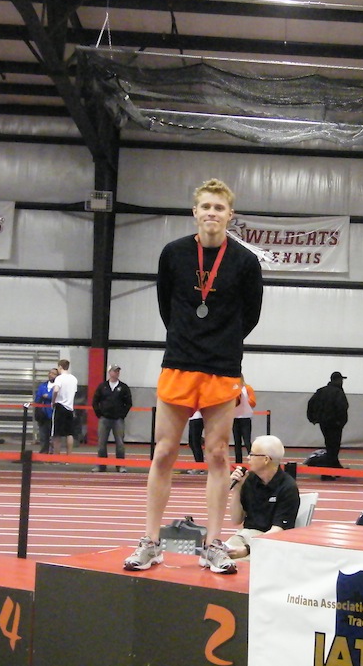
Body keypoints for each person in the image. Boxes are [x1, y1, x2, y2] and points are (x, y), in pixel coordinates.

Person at [123, 178, 263, 575]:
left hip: (221, 367)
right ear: (195, 212)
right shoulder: (173, 254)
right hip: (180, 361)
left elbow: (250, 315)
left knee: (218, 454)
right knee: (165, 451)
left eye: (220, 208)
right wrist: (188, 336)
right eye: (206, 206)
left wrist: (221, 343)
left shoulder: (245, 262)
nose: (212, 213)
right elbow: (167, 305)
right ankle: (151, 542)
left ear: (230, 216)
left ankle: (214, 544)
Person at [225, 435, 299, 559]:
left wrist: (248, 549)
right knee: (216, 558)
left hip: (270, 542)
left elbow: (278, 530)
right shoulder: (249, 480)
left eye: (252, 454)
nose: (248, 458)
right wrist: (237, 489)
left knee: (237, 565)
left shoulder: (287, 487)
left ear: (265, 459)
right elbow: (236, 520)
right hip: (245, 536)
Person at [91, 364, 133, 473]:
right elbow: (95, 401)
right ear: (109, 372)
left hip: (118, 419)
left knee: (120, 443)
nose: (116, 373)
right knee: (101, 443)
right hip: (104, 418)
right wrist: (99, 413)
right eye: (114, 371)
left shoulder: (123, 387)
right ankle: (101, 465)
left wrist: (122, 414)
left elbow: (128, 403)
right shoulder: (102, 386)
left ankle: (121, 466)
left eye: (118, 371)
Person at [307, 371, 349, 475]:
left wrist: (313, 418)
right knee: (334, 447)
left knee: (329, 445)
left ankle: (335, 466)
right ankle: (327, 472)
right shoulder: (338, 392)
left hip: (323, 423)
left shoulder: (321, 391)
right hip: (335, 424)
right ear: (338, 380)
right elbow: (342, 408)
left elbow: (311, 403)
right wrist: (341, 422)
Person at [50, 359, 78, 456]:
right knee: (69, 433)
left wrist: (53, 401)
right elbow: (74, 392)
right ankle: (68, 457)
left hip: (60, 407)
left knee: (57, 434)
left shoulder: (59, 378)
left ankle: (56, 456)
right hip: (70, 408)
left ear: (60, 367)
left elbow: (56, 390)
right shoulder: (74, 379)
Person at [33, 368, 57, 455]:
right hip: (42, 414)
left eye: (54, 373)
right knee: (43, 435)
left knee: (53, 435)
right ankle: (43, 452)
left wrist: (48, 396)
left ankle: (52, 452)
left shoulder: (58, 386)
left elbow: (56, 397)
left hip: (53, 413)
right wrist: (45, 397)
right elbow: (38, 397)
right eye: (50, 373)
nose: (51, 375)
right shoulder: (42, 385)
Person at [232, 384, 256, 465]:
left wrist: (243, 401)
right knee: (237, 442)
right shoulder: (233, 388)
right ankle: (238, 463)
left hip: (245, 418)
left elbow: (253, 402)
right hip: (235, 418)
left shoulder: (248, 388)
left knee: (247, 441)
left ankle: (254, 461)